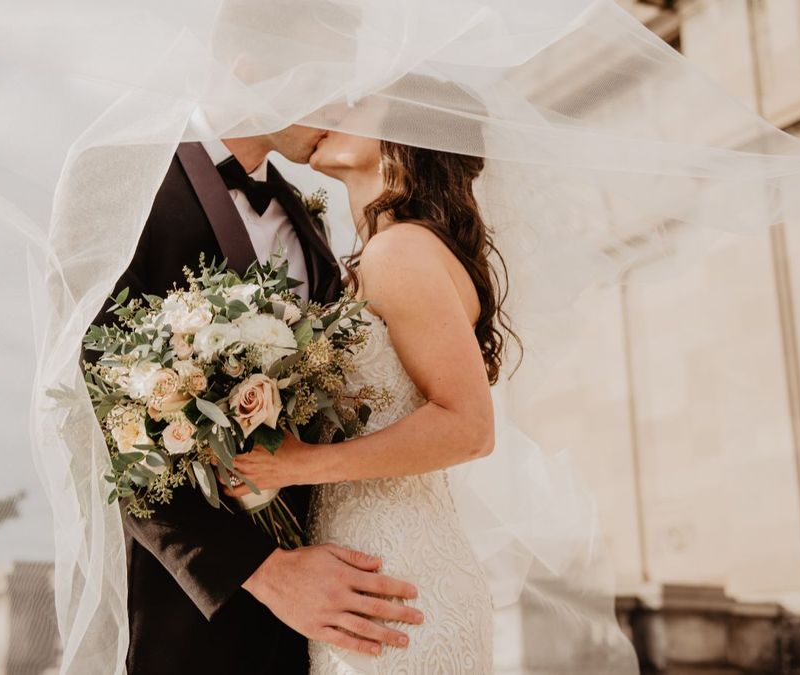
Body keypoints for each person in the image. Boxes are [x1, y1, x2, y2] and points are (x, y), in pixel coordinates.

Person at [89, 127, 424, 674]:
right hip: (194, 616)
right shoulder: (121, 184)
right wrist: (266, 572)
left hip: (327, 617)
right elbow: (99, 417)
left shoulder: (308, 220)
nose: (337, 107)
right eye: (326, 74)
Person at [225, 128, 510, 672]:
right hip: (368, 573)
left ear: (405, 134)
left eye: (356, 101)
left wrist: (299, 464)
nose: (329, 109)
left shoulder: (399, 250)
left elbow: (470, 426)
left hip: (397, 579)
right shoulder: (377, 255)